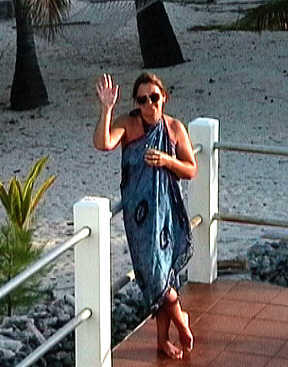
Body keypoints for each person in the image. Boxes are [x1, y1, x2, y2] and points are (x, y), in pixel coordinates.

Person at [93, 72, 197, 359]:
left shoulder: (175, 128)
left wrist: (167, 160)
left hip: (167, 213)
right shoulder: (129, 124)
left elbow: (190, 169)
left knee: (163, 276)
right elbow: (103, 143)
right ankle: (181, 319)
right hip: (139, 218)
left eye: (154, 97)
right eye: (142, 99)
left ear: (164, 97)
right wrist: (106, 109)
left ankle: (163, 340)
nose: (149, 104)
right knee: (155, 277)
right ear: (136, 103)